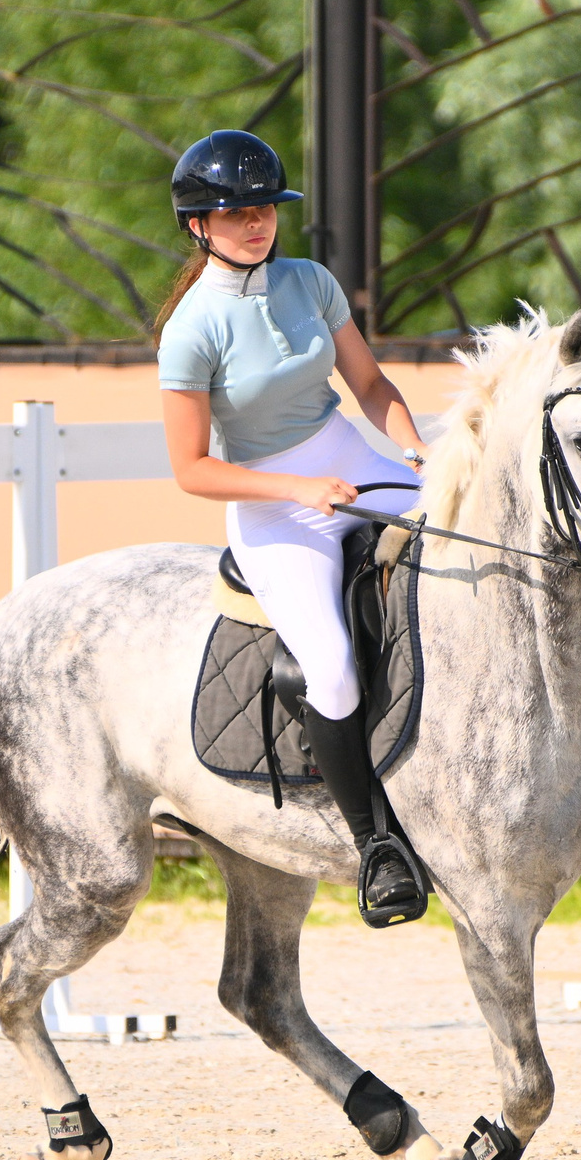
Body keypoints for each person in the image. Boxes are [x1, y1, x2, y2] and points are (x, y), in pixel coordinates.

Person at [154, 129, 429, 924]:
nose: (256, 222)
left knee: (459, 545)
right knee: (334, 666)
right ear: (199, 224)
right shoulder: (191, 329)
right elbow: (192, 469)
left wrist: (413, 447)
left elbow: (370, 384)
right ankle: (375, 844)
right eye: (236, 212)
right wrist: (297, 488)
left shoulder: (309, 281)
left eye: (265, 207)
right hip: (269, 499)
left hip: (345, 448)